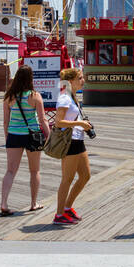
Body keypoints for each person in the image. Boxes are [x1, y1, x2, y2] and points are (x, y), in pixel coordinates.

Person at [0, 65, 50, 215]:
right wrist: (49, 136)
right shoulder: (35, 96)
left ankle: (3, 203)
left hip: (14, 135)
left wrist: (7, 137)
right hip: (32, 135)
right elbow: (42, 120)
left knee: (10, 171)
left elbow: (5, 121)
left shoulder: (9, 96)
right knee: (34, 170)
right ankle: (34, 203)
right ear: (30, 78)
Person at [52, 68, 93, 225]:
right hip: (69, 141)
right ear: (71, 81)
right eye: (80, 78)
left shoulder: (71, 96)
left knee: (85, 176)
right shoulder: (64, 98)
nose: (83, 80)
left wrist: (82, 125)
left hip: (77, 139)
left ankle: (67, 207)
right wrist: (80, 123)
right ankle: (59, 214)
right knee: (67, 179)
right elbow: (58, 122)